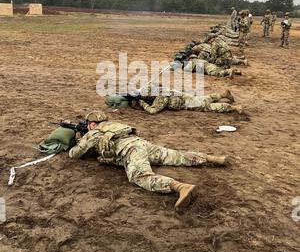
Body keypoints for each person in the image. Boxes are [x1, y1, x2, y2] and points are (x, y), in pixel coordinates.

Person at [69, 112, 230, 211]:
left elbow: (74, 154)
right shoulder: (115, 125)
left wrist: (79, 139)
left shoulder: (94, 132)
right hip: (142, 143)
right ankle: (212, 158)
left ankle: (180, 187)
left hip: (131, 150)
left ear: (91, 124)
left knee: (140, 177)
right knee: (174, 155)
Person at [106, 89, 244, 115]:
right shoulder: (154, 90)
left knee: (206, 106)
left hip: (184, 103)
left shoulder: (160, 99)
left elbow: (153, 111)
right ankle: (222, 94)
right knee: (202, 99)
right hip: (182, 96)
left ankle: (233, 108)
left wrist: (141, 103)